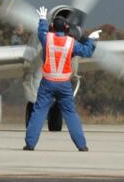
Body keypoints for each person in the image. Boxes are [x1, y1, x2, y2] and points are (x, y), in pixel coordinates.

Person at [23, 8, 94, 152]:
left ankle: (30, 144)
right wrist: (92, 39)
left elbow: (41, 32)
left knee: (38, 112)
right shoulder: (71, 42)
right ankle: (82, 145)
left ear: (52, 27)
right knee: (70, 114)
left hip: (47, 83)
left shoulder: (47, 39)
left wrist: (43, 18)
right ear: (67, 28)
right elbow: (87, 51)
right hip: (64, 85)